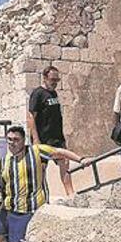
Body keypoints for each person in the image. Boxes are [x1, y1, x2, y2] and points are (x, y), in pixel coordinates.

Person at [0, 126, 85, 242]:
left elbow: (60, 152)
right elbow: (3, 183)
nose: (12, 143)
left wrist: (81, 160)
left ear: (23, 141)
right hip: (7, 207)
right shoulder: (4, 160)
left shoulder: (37, 151)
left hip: (28, 208)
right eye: (9, 139)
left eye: (16, 140)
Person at [27, 66, 75, 197]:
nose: (55, 82)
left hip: (57, 138)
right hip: (43, 139)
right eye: (52, 79)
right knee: (41, 170)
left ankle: (70, 194)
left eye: (57, 80)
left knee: (65, 163)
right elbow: (31, 117)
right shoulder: (38, 93)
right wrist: (35, 139)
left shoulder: (54, 94)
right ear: (45, 78)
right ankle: (42, 197)